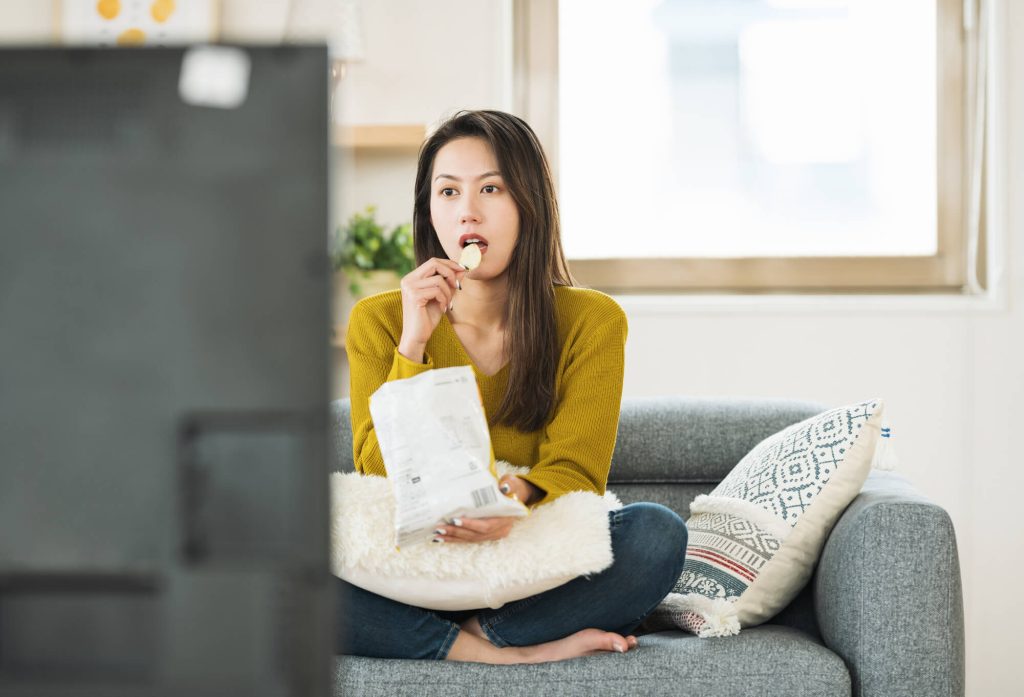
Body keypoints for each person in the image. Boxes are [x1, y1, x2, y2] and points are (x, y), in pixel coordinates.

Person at [338, 109, 687, 663]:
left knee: (656, 536)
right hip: (415, 570)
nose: (467, 211)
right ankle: (510, 652)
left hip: (529, 566)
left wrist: (504, 503)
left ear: (529, 204)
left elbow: (578, 474)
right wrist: (414, 347)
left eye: (491, 188)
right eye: (447, 191)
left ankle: (469, 636)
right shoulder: (380, 321)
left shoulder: (592, 320)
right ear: (429, 210)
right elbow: (379, 476)